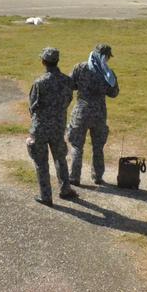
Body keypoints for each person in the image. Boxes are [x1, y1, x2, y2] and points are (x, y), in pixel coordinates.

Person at [27, 47, 79, 207]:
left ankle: (46, 196)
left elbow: (32, 106)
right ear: (57, 61)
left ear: (43, 62)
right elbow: (69, 99)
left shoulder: (39, 83)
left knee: (41, 162)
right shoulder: (67, 81)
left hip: (41, 128)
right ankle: (65, 189)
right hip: (58, 126)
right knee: (60, 158)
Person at [67, 43, 119, 186]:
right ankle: (97, 177)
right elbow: (114, 93)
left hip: (81, 111)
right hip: (99, 113)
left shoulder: (80, 67)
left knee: (77, 146)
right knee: (98, 146)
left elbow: (71, 85)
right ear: (106, 57)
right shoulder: (108, 73)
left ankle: (74, 177)